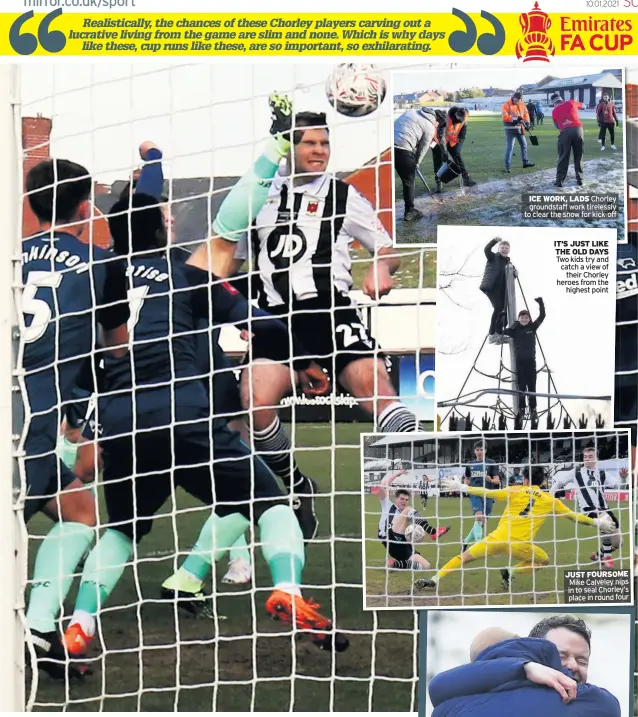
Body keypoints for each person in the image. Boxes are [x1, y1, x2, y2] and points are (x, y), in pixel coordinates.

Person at [62, 187, 351, 659]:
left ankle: (80, 624)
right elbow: (264, 325)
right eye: (166, 216)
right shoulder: (185, 275)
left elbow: (77, 358)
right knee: (272, 502)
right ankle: (289, 592)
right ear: (160, 227)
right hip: (182, 414)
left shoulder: (95, 278)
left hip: (121, 423)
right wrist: (303, 360)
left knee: (121, 529)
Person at [218, 112, 416, 522]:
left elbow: (387, 250)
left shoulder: (344, 196)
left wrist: (380, 269)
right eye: (310, 143)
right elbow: (231, 266)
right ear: (288, 149)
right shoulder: (256, 197)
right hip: (274, 318)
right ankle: (295, 483)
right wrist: (229, 305)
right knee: (254, 399)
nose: (319, 151)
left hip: (330, 310)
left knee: (373, 388)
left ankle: (417, 474)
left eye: (324, 144)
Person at [21, 159, 130, 676]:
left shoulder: (10, 257)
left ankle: (37, 630)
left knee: (81, 509)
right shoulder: (101, 264)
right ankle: (35, 631)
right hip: (29, 429)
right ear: (86, 206)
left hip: (23, 418)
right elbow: (117, 349)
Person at [415, 465, 614, 592]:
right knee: (544, 560)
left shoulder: (516, 490)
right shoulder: (549, 500)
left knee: (464, 557)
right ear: (543, 482)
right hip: (519, 546)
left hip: (496, 539)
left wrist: (463, 487)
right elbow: (574, 517)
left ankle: (434, 578)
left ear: (525, 479)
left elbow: (488, 492)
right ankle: (511, 571)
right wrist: (598, 522)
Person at [429, 617, 620, 716]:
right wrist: (524, 667)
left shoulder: (447, 707)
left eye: (581, 661)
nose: (571, 665)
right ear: (535, 649)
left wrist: (523, 667)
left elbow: (437, 687)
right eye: (560, 655)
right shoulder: (591, 701)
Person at [550, 447, 627, 568]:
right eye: (585, 457)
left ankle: (598, 555)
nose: (587, 459)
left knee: (618, 543)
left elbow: (620, 487)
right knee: (605, 519)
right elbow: (559, 483)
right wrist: (551, 496)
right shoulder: (576, 473)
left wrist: (623, 477)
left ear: (596, 459)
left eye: (590, 457)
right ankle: (607, 556)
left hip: (604, 509)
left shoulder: (602, 474)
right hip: (588, 511)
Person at [376, 469, 450, 570]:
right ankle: (432, 531)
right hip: (389, 538)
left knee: (426, 566)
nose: (404, 502)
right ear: (395, 499)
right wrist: (396, 475)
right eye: (402, 499)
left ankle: (395, 564)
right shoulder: (388, 505)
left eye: (406, 500)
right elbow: (381, 487)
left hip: (402, 546)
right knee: (408, 509)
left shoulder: (407, 515)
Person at [503, 298, 546, 417]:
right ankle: (521, 409)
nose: (524, 319)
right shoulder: (514, 330)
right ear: (519, 319)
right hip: (520, 362)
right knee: (521, 386)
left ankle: (533, 409)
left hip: (531, 362)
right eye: (522, 317)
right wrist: (500, 318)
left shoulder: (532, 327)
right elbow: (501, 331)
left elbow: (542, 316)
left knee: (531, 386)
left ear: (529, 319)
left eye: (526, 317)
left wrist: (541, 304)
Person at [393, 106, 438, 220]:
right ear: (434, 119)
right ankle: (410, 211)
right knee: (408, 182)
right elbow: (423, 148)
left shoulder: (410, 112)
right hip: (403, 149)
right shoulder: (430, 126)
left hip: (386, 146)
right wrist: (416, 162)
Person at [461, 441, 500, 552]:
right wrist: (464, 487)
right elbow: (467, 479)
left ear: (485, 451)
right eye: (477, 450)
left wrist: (491, 480)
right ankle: (479, 545)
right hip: (475, 494)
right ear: (474, 451)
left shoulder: (491, 463)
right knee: (478, 517)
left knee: (481, 522)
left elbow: (497, 481)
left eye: (481, 449)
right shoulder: (470, 464)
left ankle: (465, 542)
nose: (479, 452)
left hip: (488, 495)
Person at [431, 106, 476, 192]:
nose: (458, 122)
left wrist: (457, 146)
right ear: (455, 115)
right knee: (439, 158)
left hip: (451, 140)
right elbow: (441, 138)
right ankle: (438, 181)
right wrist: (444, 153)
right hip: (436, 140)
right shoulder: (444, 119)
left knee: (457, 155)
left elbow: (462, 134)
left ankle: (466, 178)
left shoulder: (464, 118)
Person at [479, 238, 511, 343]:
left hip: (501, 289)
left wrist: (515, 273)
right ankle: (492, 334)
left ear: (509, 250)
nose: (504, 249)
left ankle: (498, 333)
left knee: (503, 310)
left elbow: (509, 276)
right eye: (502, 247)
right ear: (499, 248)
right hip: (491, 286)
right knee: (498, 307)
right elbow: (486, 249)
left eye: (506, 248)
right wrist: (494, 241)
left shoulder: (508, 263)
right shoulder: (493, 257)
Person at [551, 92, 585, 188]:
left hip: (565, 132)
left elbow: (557, 126)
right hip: (578, 130)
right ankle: (580, 179)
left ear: (554, 102)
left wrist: (565, 123)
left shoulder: (554, 111)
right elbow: (584, 106)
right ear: (561, 99)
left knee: (563, 156)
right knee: (579, 155)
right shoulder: (571, 102)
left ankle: (559, 181)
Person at [501, 91, 536, 173]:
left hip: (520, 128)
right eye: (515, 100)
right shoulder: (506, 104)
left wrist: (527, 123)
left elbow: (526, 114)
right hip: (510, 129)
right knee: (510, 147)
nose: (516, 102)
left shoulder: (522, 104)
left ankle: (525, 162)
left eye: (518, 100)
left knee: (524, 145)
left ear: (520, 99)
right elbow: (504, 117)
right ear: (513, 97)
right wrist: (515, 119)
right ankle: (507, 167)